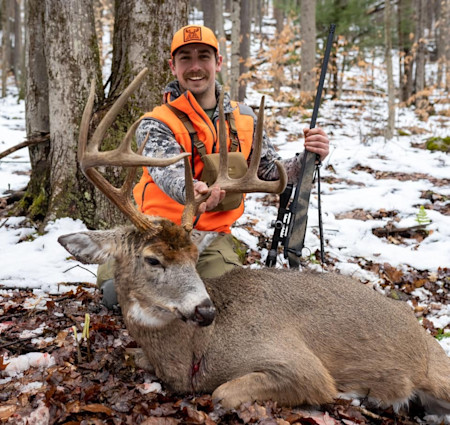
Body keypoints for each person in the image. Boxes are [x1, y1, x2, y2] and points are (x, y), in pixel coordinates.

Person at [98, 25, 330, 306]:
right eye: (185, 58)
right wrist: (192, 193)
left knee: (223, 302)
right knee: (116, 295)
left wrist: (308, 158)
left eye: (203, 56)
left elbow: (271, 172)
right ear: (173, 67)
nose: (195, 67)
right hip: (157, 234)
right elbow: (166, 172)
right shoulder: (156, 122)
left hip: (211, 238)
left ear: (218, 62)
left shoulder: (246, 118)